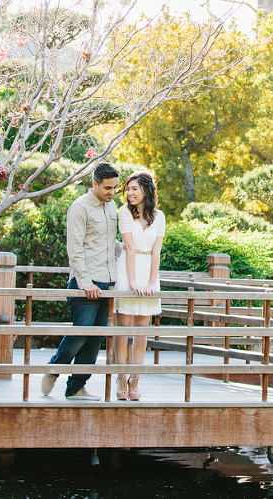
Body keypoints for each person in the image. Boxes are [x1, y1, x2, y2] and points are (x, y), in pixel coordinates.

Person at [42, 162, 119, 401]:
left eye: (115, 187)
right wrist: (86, 283)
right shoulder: (79, 207)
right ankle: (55, 366)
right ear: (94, 183)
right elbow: (74, 249)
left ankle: (76, 387)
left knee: (95, 338)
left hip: (107, 281)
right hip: (85, 283)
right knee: (80, 333)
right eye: (107, 188)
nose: (112, 192)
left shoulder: (111, 205)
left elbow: (109, 242)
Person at [113, 170, 165, 401]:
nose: (130, 193)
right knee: (124, 326)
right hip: (127, 267)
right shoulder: (124, 212)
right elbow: (130, 248)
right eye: (128, 189)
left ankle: (136, 379)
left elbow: (157, 251)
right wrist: (132, 282)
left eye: (135, 188)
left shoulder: (159, 216)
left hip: (148, 269)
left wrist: (152, 282)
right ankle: (121, 377)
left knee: (142, 328)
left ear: (146, 190)